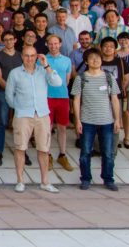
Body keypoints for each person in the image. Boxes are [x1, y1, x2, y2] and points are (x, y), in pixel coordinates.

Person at [5, 46, 63, 194]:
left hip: (42, 114)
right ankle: (20, 181)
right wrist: (18, 107)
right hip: (23, 115)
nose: (29, 59)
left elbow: (57, 83)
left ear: (37, 56)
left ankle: (45, 181)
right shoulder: (15, 73)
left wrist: (47, 65)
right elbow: (9, 95)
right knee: (20, 148)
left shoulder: (43, 71)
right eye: (26, 55)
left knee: (44, 149)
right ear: (22, 56)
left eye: (32, 56)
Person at [71, 48, 122, 191]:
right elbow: (76, 100)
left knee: (108, 153)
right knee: (85, 152)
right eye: (92, 58)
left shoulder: (108, 77)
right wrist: (77, 120)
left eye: (98, 58)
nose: (96, 60)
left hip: (106, 121)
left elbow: (114, 99)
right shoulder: (81, 78)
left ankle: (108, 179)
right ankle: (86, 178)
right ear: (86, 61)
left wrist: (117, 119)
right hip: (87, 121)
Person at [0, 31, 23, 166]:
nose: (9, 42)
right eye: (6, 40)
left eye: (11, 39)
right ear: (3, 41)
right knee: (2, 123)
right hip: (3, 93)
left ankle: (23, 152)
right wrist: (10, 90)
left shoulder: (21, 56)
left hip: (20, 94)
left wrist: (18, 90)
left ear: (15, 40)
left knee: (21, 124)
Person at [45, 34, 75, 171]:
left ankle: (62, 155)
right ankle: (48, 155)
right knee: (48, 129)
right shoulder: (42, 60)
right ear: (47, 45)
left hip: (62, 97)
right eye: (50, 44)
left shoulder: (67, 60)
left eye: (56, 43)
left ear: (60, 44)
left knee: (62, 128)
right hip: (47, 97)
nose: (53, 46)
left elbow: (67, 80)